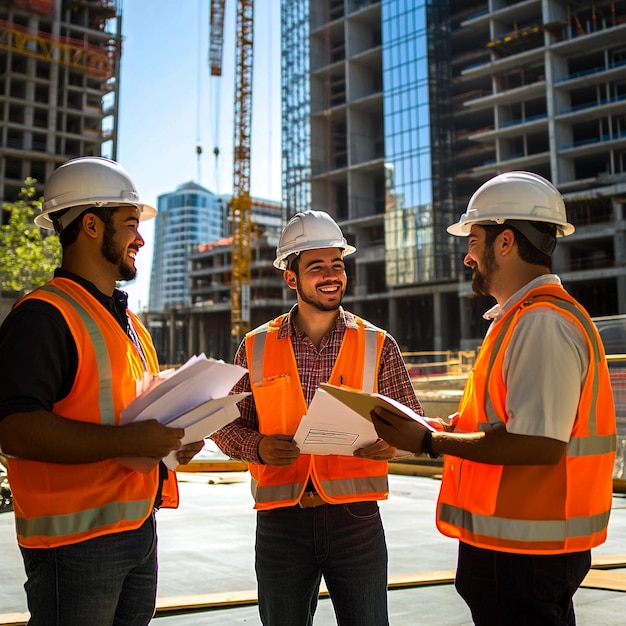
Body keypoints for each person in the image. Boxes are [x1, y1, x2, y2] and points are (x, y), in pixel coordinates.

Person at [370, 171, 617, 626]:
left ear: (505, 242)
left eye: (474, 240)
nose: (468, 256)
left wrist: (427, 444)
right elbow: (492, 424)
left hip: (526, 555)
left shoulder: (541, 324)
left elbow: (538, 443)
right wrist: (430, 429)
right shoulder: (517, 320)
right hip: (518, 550)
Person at [0, 156, 203, 626]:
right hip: (74, 549)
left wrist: (174, 446)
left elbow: (130, 416)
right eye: (130, 223)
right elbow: (15, 430)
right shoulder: (43, 316)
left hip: (137, 531)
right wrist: (130, 443)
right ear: (91, 225)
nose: (140, 237)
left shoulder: (128, 323)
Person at [211, 210, 423, 626]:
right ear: (291, 278)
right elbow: (225, 423)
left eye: (337, 265)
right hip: (281, 521)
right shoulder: (255, 346)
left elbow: (413, 425)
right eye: (316, 267)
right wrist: (257, 447)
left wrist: (391, 444)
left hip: (356, 521)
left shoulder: (378, 343)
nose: (331, 275)